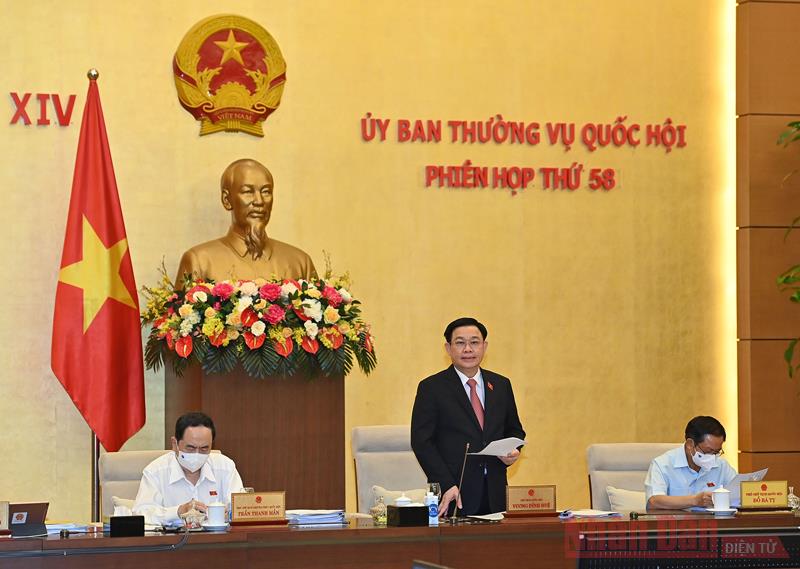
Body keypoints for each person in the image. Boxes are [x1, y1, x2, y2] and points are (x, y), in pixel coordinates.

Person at [411, 317, 526, 516]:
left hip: (495, 493)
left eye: (474, 342)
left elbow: (515, 430)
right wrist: (446, 484)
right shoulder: (432, 388)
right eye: (460, 343)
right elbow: (422, 442)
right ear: (448, 348)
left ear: (484, 346)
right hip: (454, 494)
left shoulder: (501, 385)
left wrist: (513, 452)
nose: (468, 349)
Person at [176, 158, 317, 284]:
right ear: (227, 200)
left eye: (266, 191)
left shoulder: (300, 262)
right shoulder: (200, 261)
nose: (259, 201)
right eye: (248, 192)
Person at [133, 412, 245, 525]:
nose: (197, 454)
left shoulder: (225, 467)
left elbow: (242, 507)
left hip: (217, 536)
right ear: (175, 444)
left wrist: (228, 514)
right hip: (173, 536)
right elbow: (141, 513)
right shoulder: (155, 471)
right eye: (190, 448)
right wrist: (178, 511)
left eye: (204, 448)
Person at [645, 415, 738, 510]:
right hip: (677, 519)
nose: (712, 457)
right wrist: (695, 500)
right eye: (708, 451)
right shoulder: (662, 464)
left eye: (716, 452)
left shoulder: (722, 465)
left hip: (714, 519)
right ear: (690, 444)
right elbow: (653, 502)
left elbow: (739, 495)